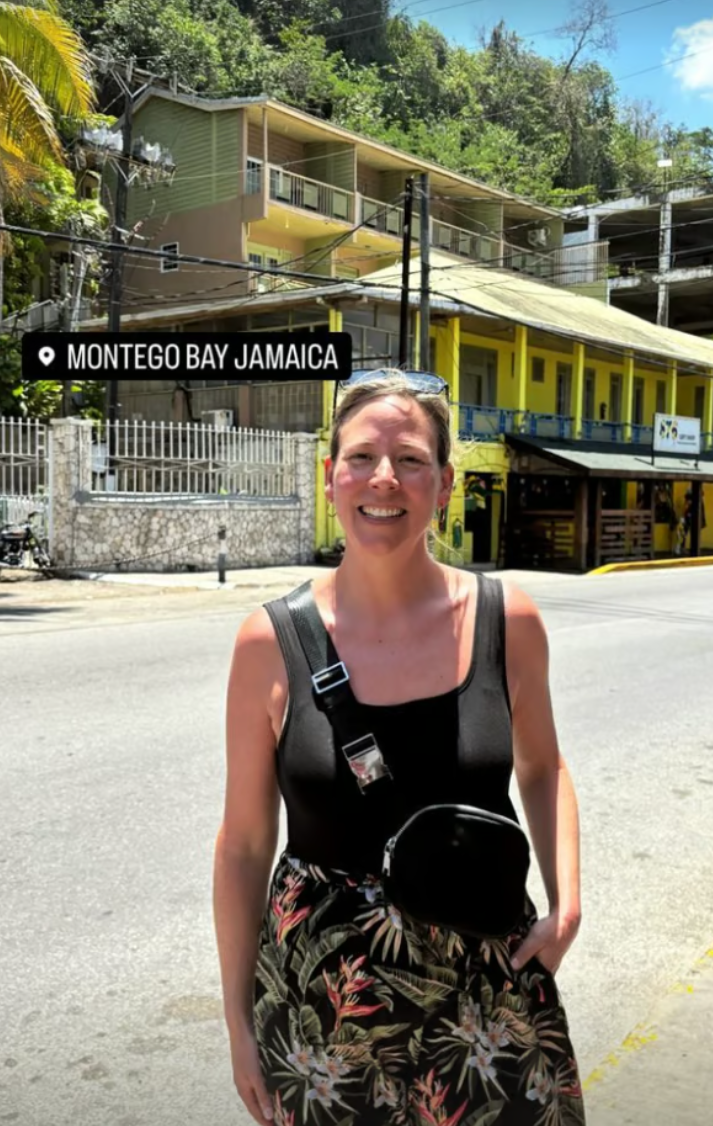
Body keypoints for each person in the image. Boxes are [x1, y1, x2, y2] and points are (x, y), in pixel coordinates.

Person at [213, 369, 585, 1126]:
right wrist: (239, 1020)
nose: (384, 478)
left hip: (487, 993)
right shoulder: (268, 643)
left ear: (444, 484)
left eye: (411, 460)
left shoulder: (504, 620)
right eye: (360, 457)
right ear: (329, 477)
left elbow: (543, 769)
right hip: (324, 1011)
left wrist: (567, 904)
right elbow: (245, 846)